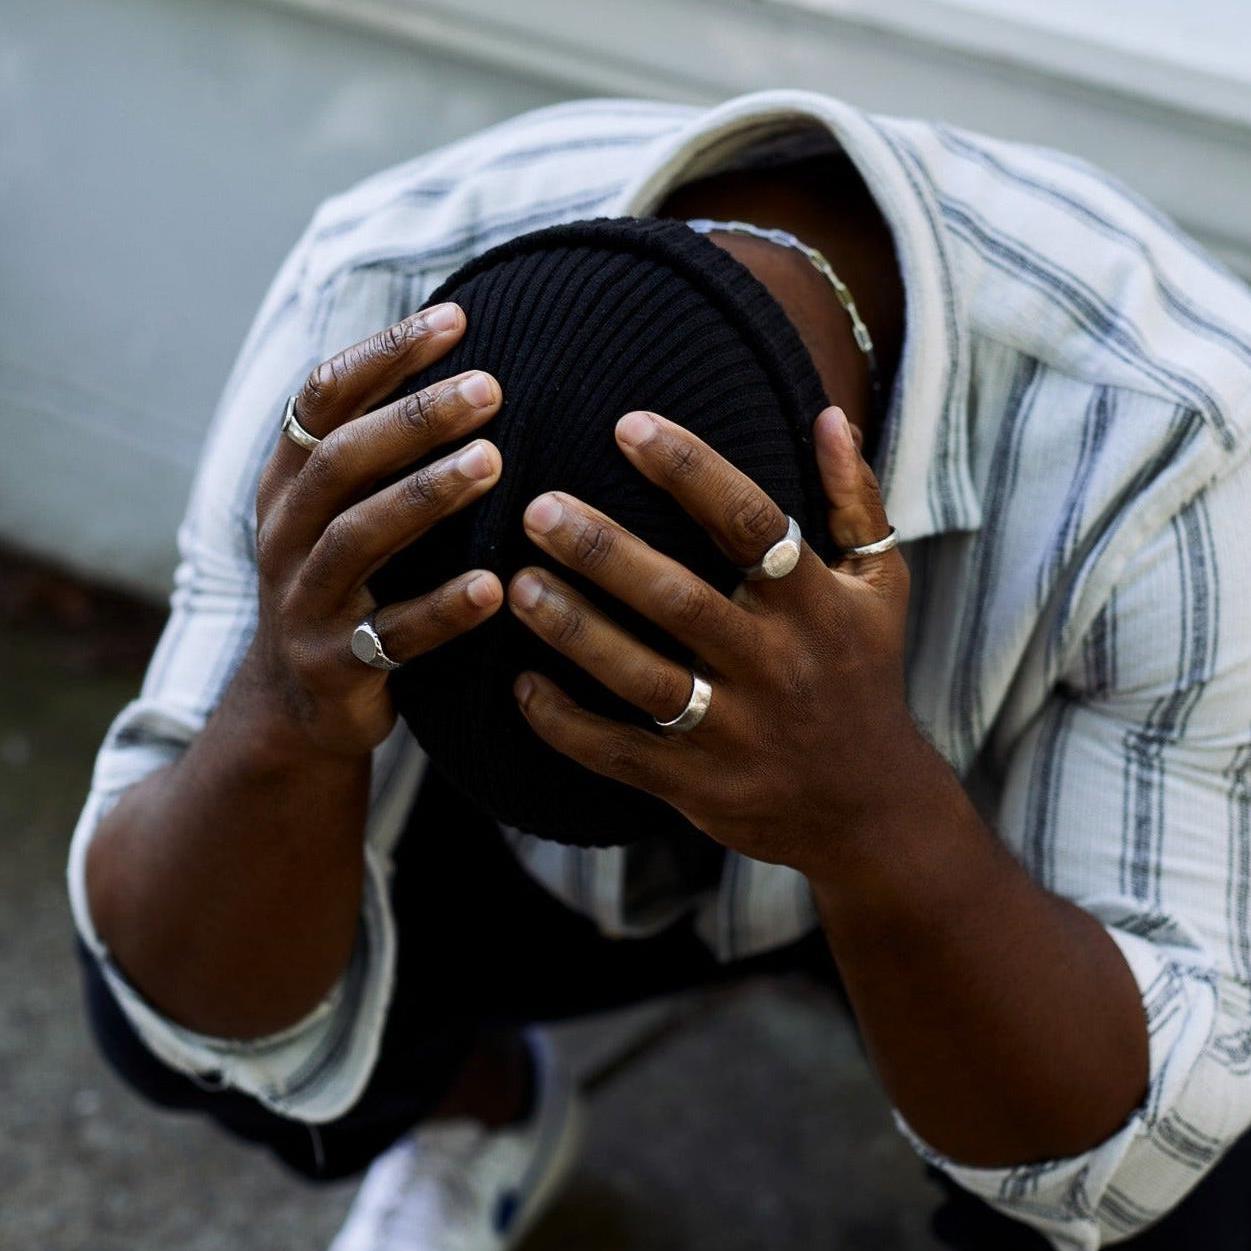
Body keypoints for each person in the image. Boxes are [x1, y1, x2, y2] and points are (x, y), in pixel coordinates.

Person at [69, 88, 1251, 1250]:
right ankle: (485, 1112)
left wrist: (876, 817)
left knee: (1192, 1196)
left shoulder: (1178, 437)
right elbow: (171, 979)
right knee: (201, 902)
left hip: (973, 837)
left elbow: (1139, 1149)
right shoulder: (376, 288)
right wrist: (286, 717)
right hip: (516, 866)